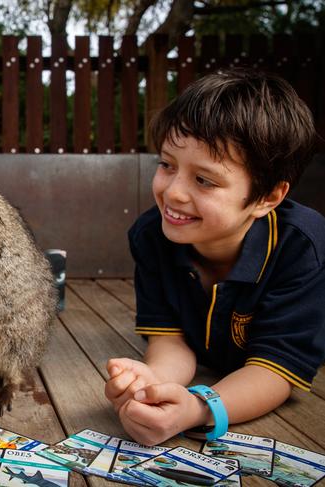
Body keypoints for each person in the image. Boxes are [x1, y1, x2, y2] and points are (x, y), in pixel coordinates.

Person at [104, 68, 325, 446]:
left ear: (267, 198)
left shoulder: (302, 247)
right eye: (167, 165)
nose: (172, 193)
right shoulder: (150, 234)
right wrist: (152, 383)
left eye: (203, 180)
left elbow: (275, 370)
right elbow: (171, 340)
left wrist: (198, 408)